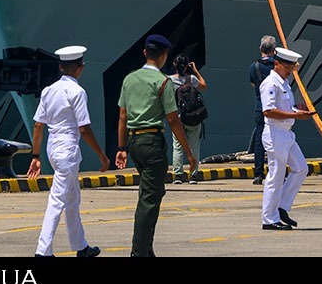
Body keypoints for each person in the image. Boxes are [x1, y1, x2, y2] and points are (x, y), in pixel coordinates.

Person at [112, 33, 195, 258]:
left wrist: (121, 149)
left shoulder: (129, 79)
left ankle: (147, 249)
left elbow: (122, 116)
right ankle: (138, 252)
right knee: (149, 200)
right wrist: (188, 153)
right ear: (164, 56)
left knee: (154, 192)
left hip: (134, 141)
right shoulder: (162, 82)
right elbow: (172, 119)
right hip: (153, 142)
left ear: (145, 53)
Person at [25, 46, 110, 257]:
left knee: (72, 198)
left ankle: (80, 246)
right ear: (80, 68)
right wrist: (101, 155)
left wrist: (36, 156)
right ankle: (42, 251)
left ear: (61, 67)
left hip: (52, 148)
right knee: (57, 200)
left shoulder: (48, 90)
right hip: (68, 149)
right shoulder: (77, 92)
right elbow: (84, 128)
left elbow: (38, 125)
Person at [259, 46, 311, 230]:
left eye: (291, 68)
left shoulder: (283, 83)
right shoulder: (270, 83)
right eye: (287, 68)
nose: (290, 71)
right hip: (275, 133)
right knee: (276, 176)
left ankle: (281, 207)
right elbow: (269, 111)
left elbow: (284, 108)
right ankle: (269, 219)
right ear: (276, 64)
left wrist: (296, 108)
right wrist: (297, 116)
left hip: (286, 133)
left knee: (301, 168)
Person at [169, 55, 207, 182]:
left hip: (178, 117)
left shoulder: (169, 80)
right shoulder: (191, 79)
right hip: (193, 117)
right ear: (187, 66)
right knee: (194, 146)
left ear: (174, 64)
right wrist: (195, 70)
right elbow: (203, 85)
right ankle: (193, 175)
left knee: (178, 146)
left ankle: (178, 175)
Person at [249, 36, 278, 183]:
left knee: (260, 139)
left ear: (260, 49)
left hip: (260, 106)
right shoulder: (278, 66)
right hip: (276, 108)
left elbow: (254, 85)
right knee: (278, 139)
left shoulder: (254, 67)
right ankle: (277, 171)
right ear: (274, 50)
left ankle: (258, 173)